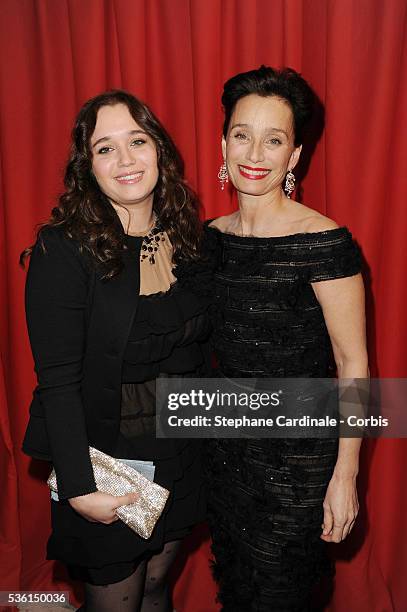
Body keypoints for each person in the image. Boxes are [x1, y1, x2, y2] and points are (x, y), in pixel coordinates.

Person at [21, 90, 210, 612]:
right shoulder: (62, 250)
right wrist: (80, 488)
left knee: (155, 589)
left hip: (181, 455)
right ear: (88, 167)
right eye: (105, 148)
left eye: (137, 141)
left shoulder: (188, 238)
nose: (125, 160)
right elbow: (56, 382)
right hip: (108, 465)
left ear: (160, 153)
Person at [204, 66, 368, 611]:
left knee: (281, 595)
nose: (255, 151)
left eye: (274, 139)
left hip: (298, 465)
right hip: (225, 458)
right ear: (223, 141)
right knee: (237, 589)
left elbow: (353, 364)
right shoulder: (209, 239)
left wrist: (346, 476)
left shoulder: (324, 242)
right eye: (242, 133)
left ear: (294, 156)